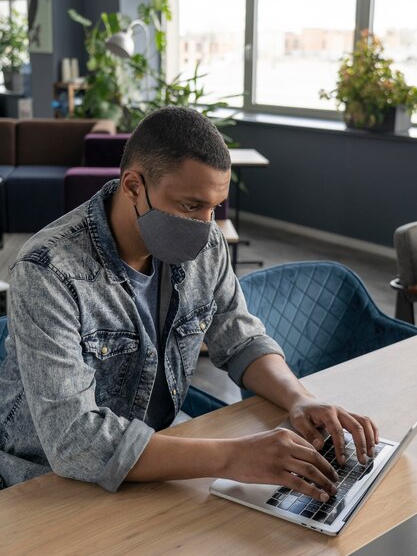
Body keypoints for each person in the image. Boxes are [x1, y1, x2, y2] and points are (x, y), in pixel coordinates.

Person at [0, 107, 378, 497]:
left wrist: (298, 399)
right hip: (46, 482)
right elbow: (74, 440)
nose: (206, 227)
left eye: (214, 208)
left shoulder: (206, 245)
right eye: (190, 206)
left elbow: (241, 337)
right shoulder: (48, 271)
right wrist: (233, 457)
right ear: (133, 186)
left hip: (161, 454)